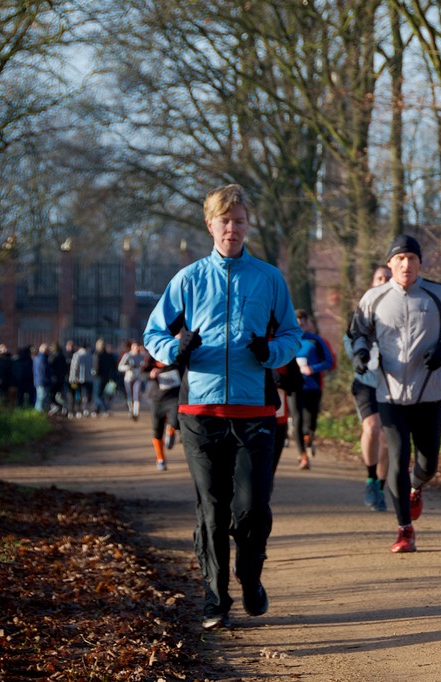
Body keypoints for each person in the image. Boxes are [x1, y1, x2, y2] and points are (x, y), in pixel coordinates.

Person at [143, 183, 302, 631]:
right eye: (225, 221)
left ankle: (250, 577)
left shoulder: (268, 279)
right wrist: (175, 349)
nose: (232, 228)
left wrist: (270, 352)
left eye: (239, 221)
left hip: (255, 412)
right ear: (210, 224)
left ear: (248, 225)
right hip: (200, 412)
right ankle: (215, 597)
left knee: (251, 509)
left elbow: (291, 335)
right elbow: (153, 333)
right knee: (212, 510)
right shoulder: (189, 279)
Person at [349, 235, 441, 553]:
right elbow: (358, 332)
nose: (406, 264)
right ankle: (404, 530)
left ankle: (417, 487)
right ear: (390, 263)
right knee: (398, 460)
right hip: (389, 394)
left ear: (419, 263)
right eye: (399, 258)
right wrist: (360, 353)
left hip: (430, 392)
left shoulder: (438, 294)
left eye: (411, 258)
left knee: (428, 464)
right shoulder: (374, 298)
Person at [344, 265, 391, 511]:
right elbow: (350, 338)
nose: (384, 281)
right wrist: (358, 357)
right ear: (373, 282)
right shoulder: (362, 311)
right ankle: (371, 478)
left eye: (387, 278)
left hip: (394, 384)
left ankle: (380, 487)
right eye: (379, 278)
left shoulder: (402, 309)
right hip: (366, 382)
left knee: (387, 439)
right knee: (372, 428)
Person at [291, 309, 335, 470]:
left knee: (310, 423)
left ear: (308, 324)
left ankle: (308, 438)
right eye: (297, 324)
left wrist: (313, 369)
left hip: (312, 387)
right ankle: (303, 455)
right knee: (297, 421)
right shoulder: (287, 340)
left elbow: (329, 362)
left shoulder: (316, 340)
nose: (300, 327)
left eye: (302, 324)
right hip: (294, 387)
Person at [142, 350, 182, 471]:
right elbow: (142, 373)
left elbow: (184, 370)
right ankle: (160, 459)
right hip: (157, 398)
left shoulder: (176, 352)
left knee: (176, 421)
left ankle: (171, 431)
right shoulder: (152, 354)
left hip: (174, 397)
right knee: (157, 429)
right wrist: (150, 375)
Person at [118, 341, 146, 421]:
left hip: (138, 378)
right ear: (131, 348)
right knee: (130, 395)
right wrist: (128, 367)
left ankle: (136, 413)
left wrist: (141, 369)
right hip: (128, 378)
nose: (136, 349)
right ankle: (131, 410)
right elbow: (120, 367)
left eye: (137, 347)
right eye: (134, 347)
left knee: (136, 394)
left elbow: (144, 366)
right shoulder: (127, 355)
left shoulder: (142, 356)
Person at [92, 339, 118, 417]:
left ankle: (105, 409)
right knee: (102, 394)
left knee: (97, 396)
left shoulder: (97, 354)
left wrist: (94, 374)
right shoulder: (109, 355)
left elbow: (96, 366)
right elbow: (114, 366)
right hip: (106, 377)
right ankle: (96, 410)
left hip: (98, 377)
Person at [69, 342, 93, 417]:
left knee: (77, 395)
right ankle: (85, 409)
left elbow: (74, 367)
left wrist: (72, 378)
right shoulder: (90, 355)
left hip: (77, 379)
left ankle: (77, 410)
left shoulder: (76, 355)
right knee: (85, 395)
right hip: (88, 379)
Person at [32, 343, 51, 412]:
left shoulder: (37, 358)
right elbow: (44, 371)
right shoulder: (43, 359)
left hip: (39, 381)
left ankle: (38, 412)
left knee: (40, 397)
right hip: (43, 381)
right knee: (41, 398)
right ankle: (39, 412)